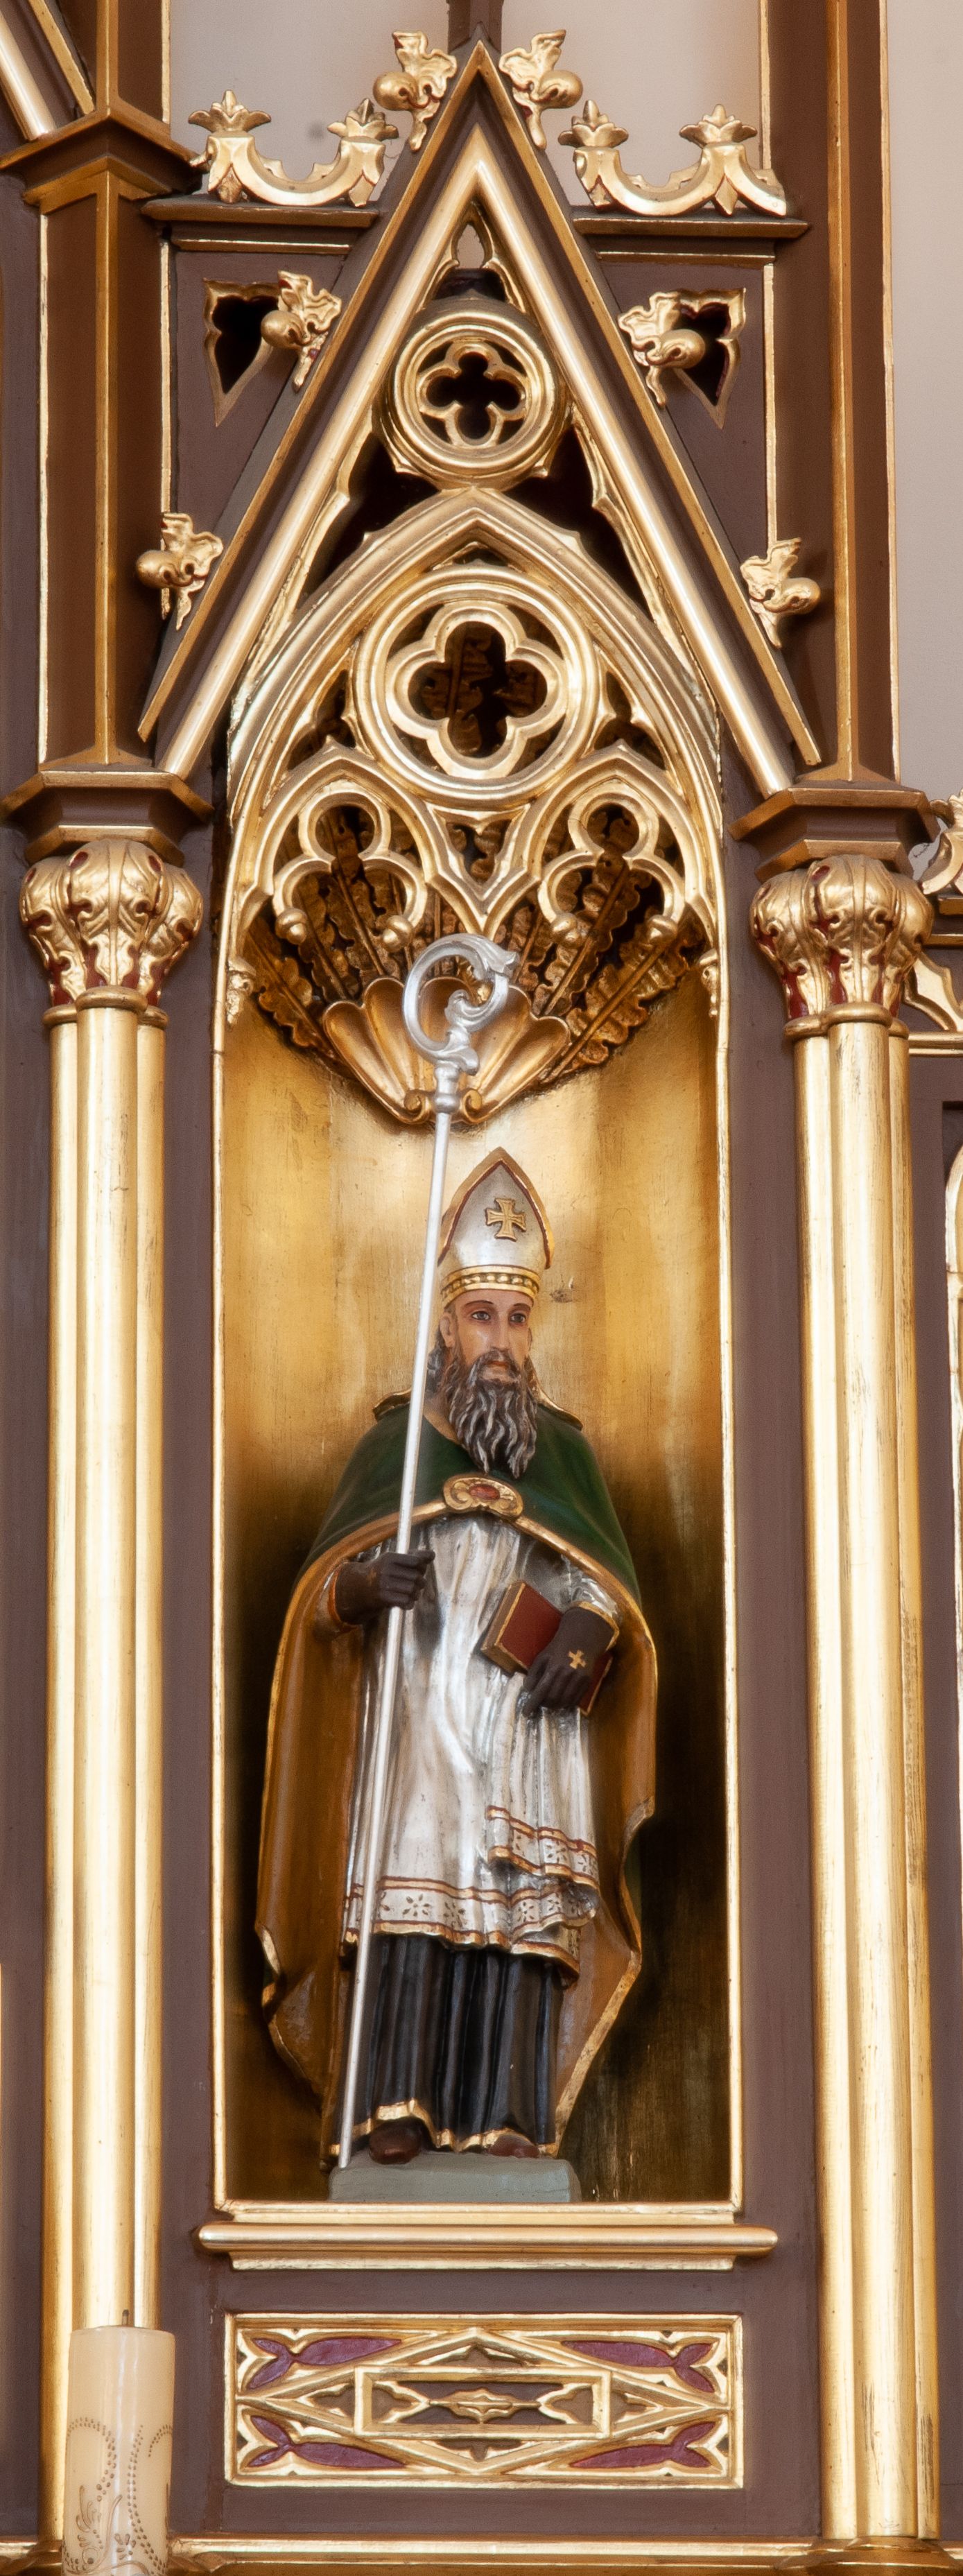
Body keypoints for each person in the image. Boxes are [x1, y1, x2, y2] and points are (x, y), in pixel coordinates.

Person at [257, 1151, 656, 2167]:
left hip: (526, 1717)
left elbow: (599, 1578)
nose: (502, 1343)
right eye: (482, 1317)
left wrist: (591, 1628)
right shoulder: (393, 1452)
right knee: (418, 1880)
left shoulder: (560, 1452)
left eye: (517, 1320)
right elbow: (322, 1593)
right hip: (419, 1702)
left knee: (517, 1900)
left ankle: (508, 2111)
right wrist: (361, 1589)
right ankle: (392, 2100)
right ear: (444, 1325)